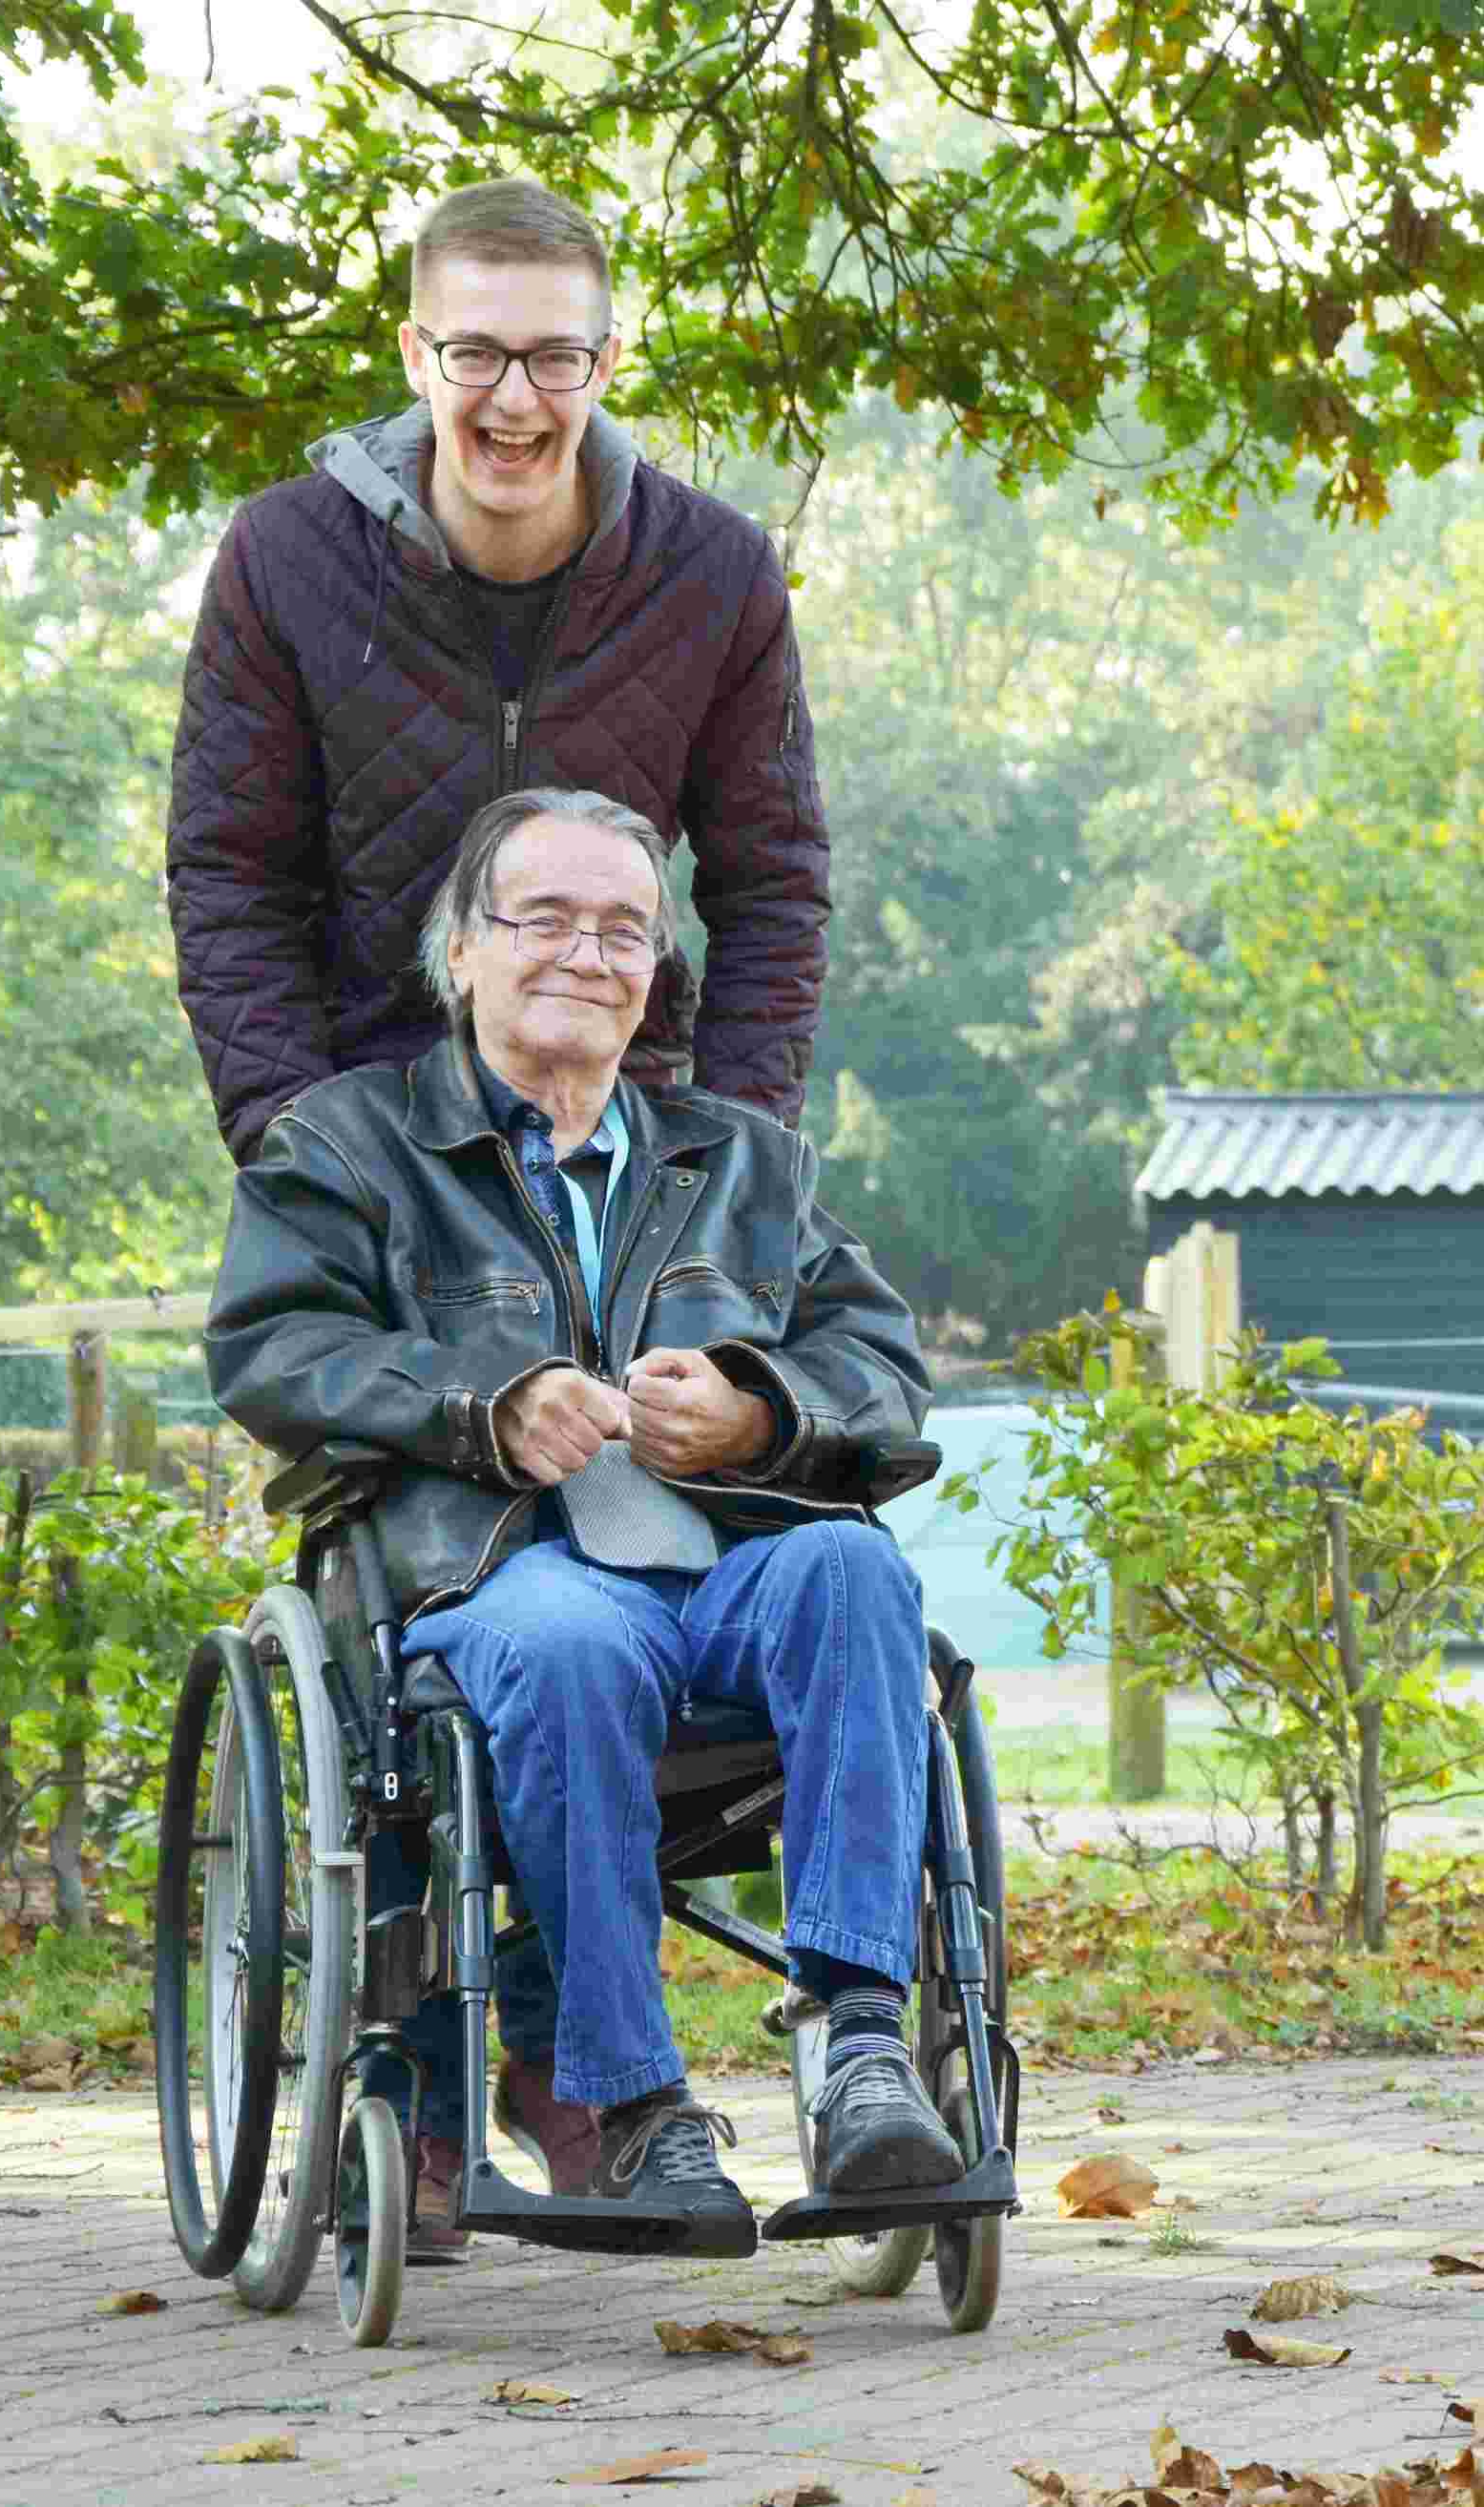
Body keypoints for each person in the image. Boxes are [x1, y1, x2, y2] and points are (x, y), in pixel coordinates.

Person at [204, 787, 958, 2245]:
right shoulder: (346, 1149)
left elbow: (881, 1365)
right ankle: (635, 2102)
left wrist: (758, 1405)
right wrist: (481, 1402)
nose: (584, 952)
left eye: (623, 927)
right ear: (461, 952)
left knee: (857, 1575)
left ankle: (861, 2045)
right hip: (497, 1577)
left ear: (654, 969)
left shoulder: (746, 1163)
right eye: (541, 916)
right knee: (568, 1645)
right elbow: (272, 1350)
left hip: (727, 1569)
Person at [165, 173, 828, 1171]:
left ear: (605, 364)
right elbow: (230, 879)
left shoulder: (718, 574)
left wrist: (730, 1161)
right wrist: (296, 1149)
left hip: (623, 1137)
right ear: (415, 355)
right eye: (474, 352)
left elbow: (773, 887)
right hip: (363, 1135)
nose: (513, 399)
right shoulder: (283, 555)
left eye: (555, 357)